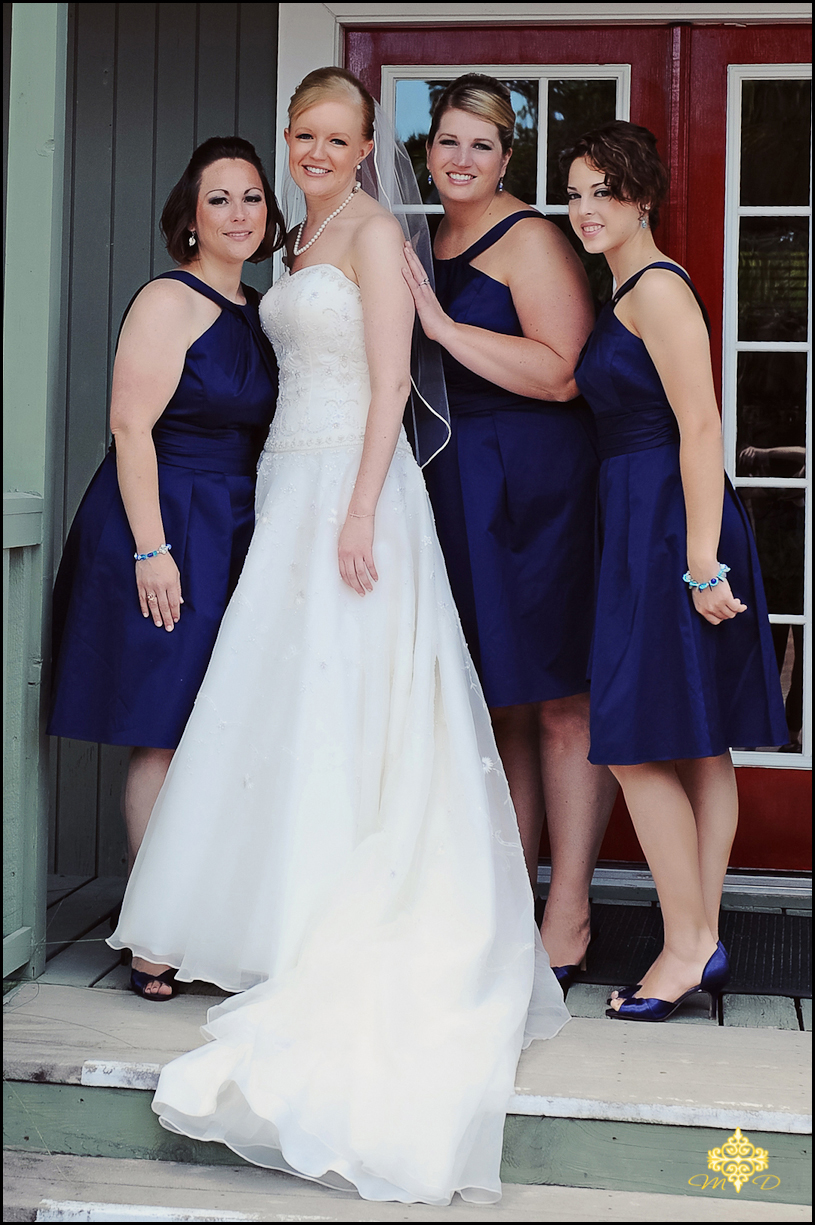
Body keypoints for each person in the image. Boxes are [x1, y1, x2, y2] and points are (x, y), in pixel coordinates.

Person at [108, 67, 569, 1204]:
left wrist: (361, 508)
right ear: (288, 139)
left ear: (367, 148)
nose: (316, 152)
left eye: (337, 138)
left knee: (351, 695)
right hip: (285, 485)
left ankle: (341, 921)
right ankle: (268, 917)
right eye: (303, 135)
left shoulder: (367, 234)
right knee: (280, 701)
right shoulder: (292, 242)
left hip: (353, 494)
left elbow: (391, 382)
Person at [48, 136, 285, 998]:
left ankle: (205, 912)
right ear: (189, 216)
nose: (238, 214)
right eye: (219, 198)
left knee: (217, 721)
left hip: (234, 523)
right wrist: (153, 550)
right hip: (163, 517)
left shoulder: (261, 311)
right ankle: (152, 931)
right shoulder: (167, 299)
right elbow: (129, 427)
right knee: (164, 724)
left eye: (252, 197)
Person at [561, 121, 787, 1021]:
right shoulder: (622, 287)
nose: (584, 209)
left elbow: (700, 425)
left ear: (642, 198)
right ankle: (699, 938)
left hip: (670, 524)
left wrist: (698, 560)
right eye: (573, 194)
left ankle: (689, 941)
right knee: (696, 740)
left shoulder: (656, 288)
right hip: (638, 518)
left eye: (603, 192)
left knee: (629, 742)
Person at [401, 74, 618, 989]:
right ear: (426, 150)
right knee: (502, 704)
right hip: (461, 487)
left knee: (561, 700)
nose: (461, 159)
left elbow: (563, 372)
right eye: (448, 141)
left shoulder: (530, 237)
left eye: (481, 145)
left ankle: (569, 910)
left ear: (505, 159)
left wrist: (443, 327)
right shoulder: (427, 237)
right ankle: (508, 897)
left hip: (537, 483)